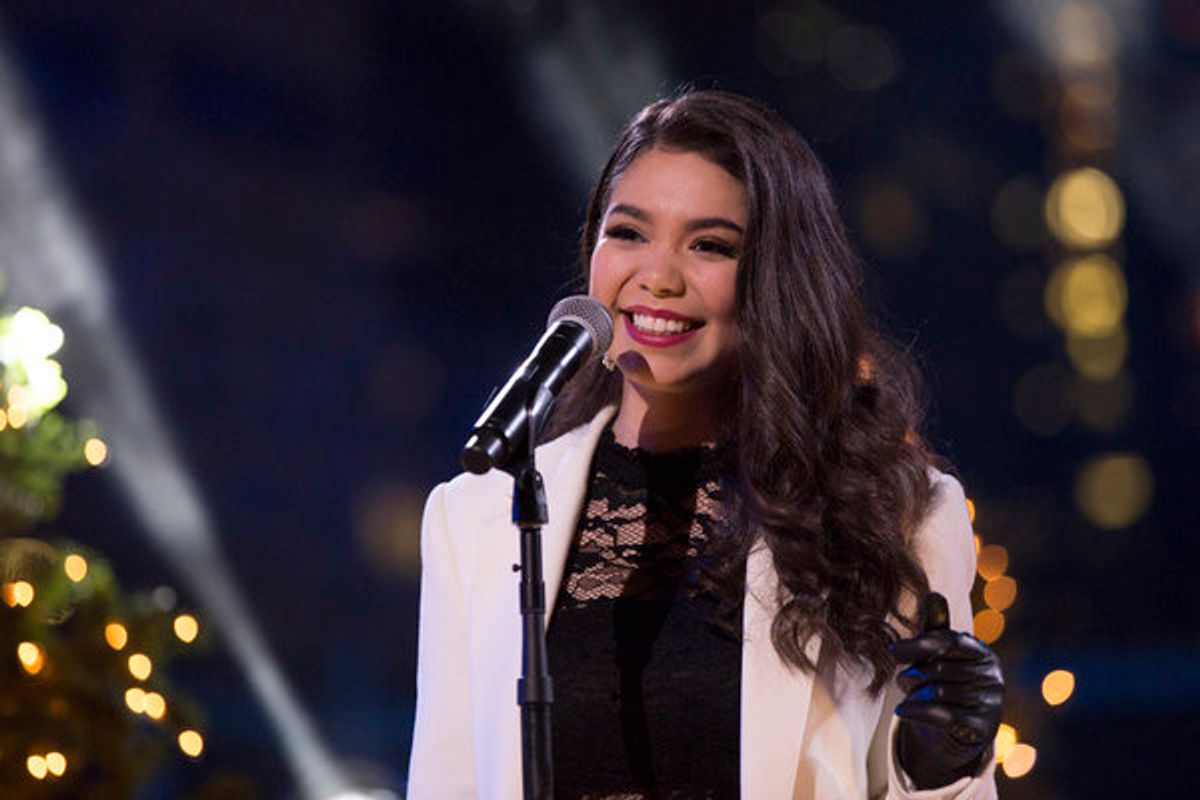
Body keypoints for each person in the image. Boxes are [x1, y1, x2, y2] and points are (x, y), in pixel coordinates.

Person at [407, 90, 1003, 799]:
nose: (657, 277)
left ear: (776, 281)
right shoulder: (473, 520)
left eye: (709, 246)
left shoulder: (890, 512)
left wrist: (941, 772)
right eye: (628, 234)